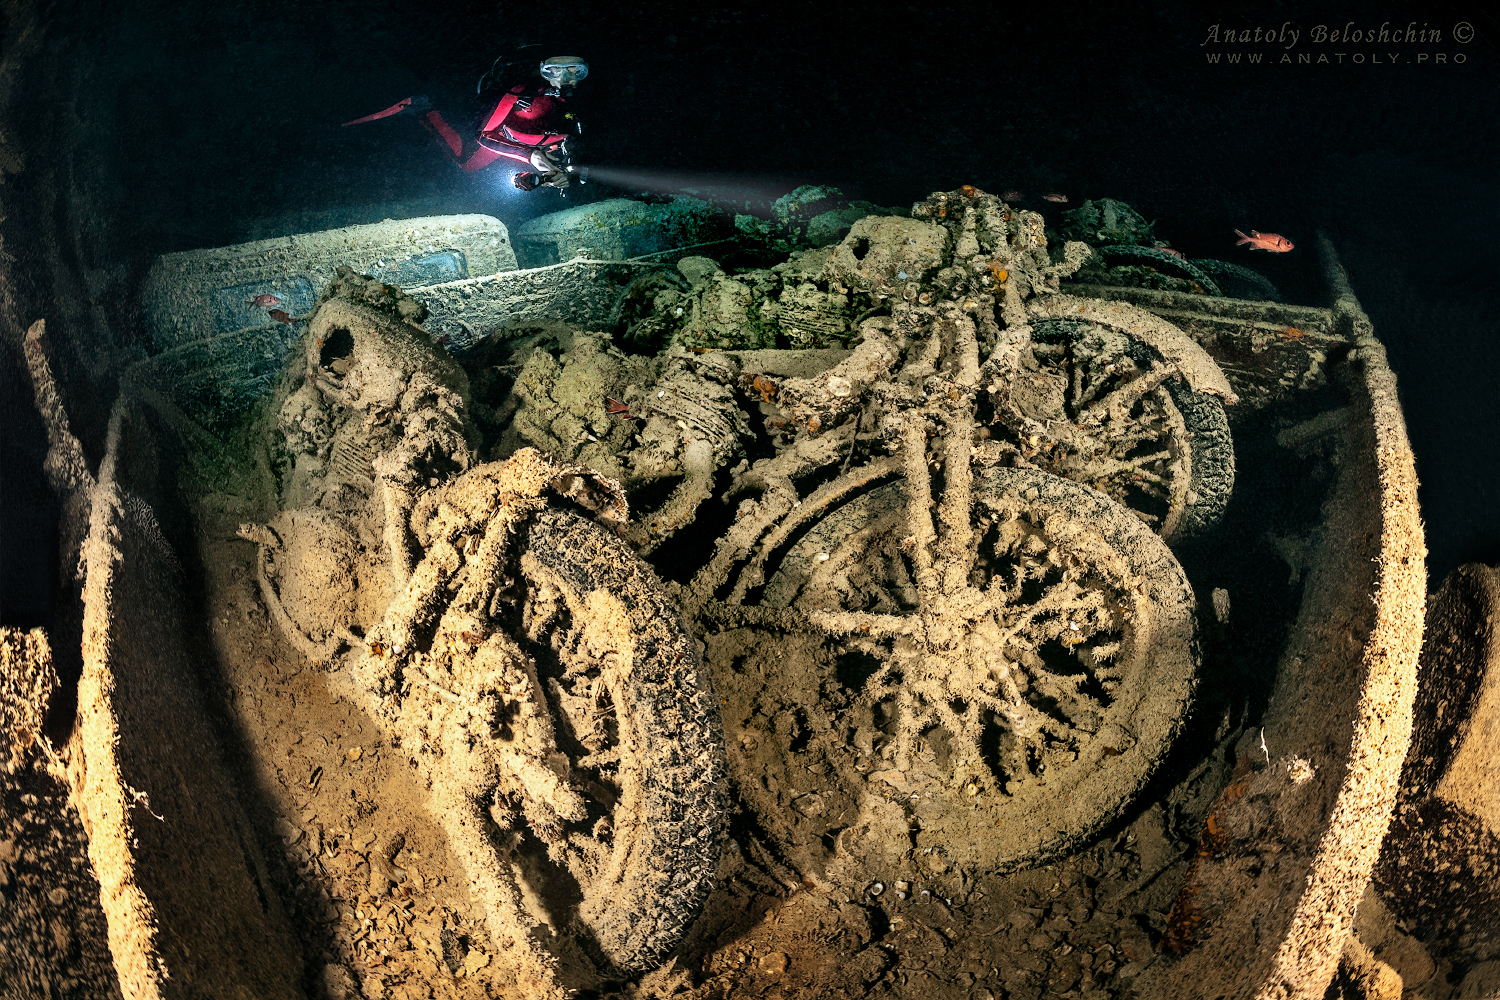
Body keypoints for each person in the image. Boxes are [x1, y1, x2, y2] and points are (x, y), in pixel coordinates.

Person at [344, 55, 589, 192]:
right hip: (505, 136)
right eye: (556, 70)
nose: (566, 79)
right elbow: (483, 135)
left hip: (536, 147)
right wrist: (529, 155)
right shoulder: (519, 92)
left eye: (575, 71)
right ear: (543, 70)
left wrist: (565, 175)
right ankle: (425, 111)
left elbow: (586, 151)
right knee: (467, 164)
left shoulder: (590, 101)